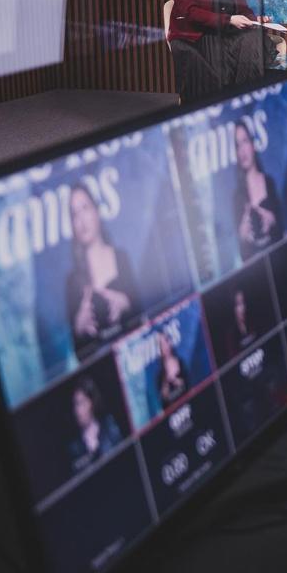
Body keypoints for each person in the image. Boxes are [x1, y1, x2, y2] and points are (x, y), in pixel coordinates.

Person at [64, 183, 139, 359]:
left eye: (85, 208)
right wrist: (79, 328)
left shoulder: (121, 258)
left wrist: (127, 303)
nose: (81, 220)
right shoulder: (72, 282)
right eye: (75, 214)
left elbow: (144, 317)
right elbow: (78, 354)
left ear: (96, 211)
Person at [232, 121, 284, 258]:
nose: (242, 150)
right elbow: (243, 257)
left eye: (245, 141)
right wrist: (243, 236)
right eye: (237, 145)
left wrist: (272, 220)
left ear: (253, 145)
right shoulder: (237, 197)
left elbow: (284, 231)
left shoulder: (269, 182)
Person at [68, 376, 124, 471]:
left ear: (91, 403)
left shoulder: (110, 427)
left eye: (80, 403)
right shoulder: (75, 448)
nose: (77, 411)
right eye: (75, 405)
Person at [156, 330, 189, 409]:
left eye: (166, 341)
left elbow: (190, 388)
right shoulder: (159, 376)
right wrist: (165, 385)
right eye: (161, 345)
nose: (165, 346)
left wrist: (175, 380)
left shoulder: (181, 362)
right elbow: (164, 405)